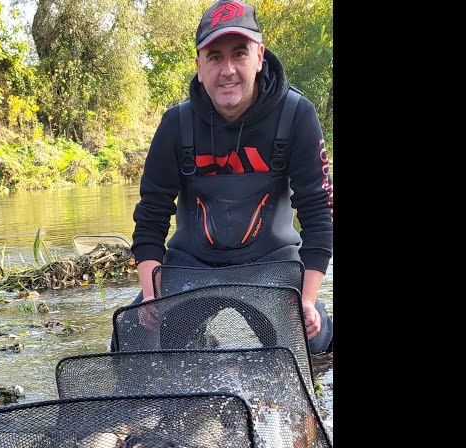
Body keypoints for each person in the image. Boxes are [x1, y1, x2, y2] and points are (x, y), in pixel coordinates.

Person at [126, 0, 333, 354]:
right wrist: (150, 296)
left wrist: (308, 301)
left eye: (239, 54)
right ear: (199, 65)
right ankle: (199, 344)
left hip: (272, 261)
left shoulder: (297, 115)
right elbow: (151, 218)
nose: (228, 70)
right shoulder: (175, 125)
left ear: (259, 57)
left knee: (310, 341)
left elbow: (319, 214)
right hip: (191, 264)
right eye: (215, 57)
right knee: (135, 336)